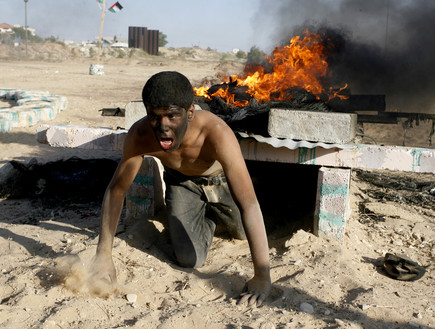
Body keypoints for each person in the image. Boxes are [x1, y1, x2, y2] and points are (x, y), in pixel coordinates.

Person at [92, 71, 271, 306]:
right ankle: (205, 218)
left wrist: (262, 276)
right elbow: (116, 190)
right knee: (188, 259)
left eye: (172, 116)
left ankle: (215, 212)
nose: (163, 126)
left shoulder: (216, 133)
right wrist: (103, 256)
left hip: (221, 184)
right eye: (155, 117)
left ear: (190, 113)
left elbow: (249, 203)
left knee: (240, 232)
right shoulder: (141, 134)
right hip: (181, 183)